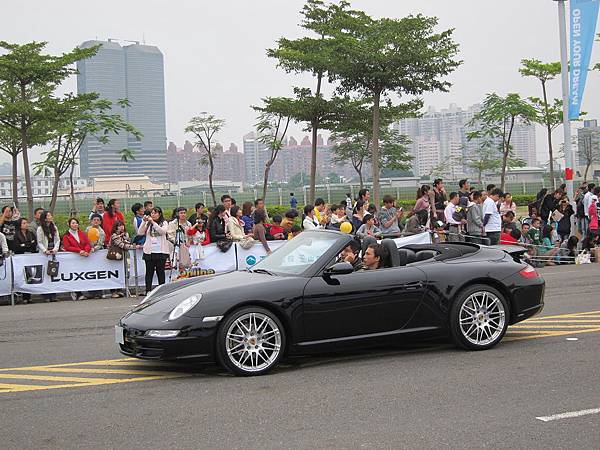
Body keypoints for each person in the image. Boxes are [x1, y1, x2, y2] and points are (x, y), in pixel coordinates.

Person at [138, 207, 170, 294]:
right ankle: (148, 290)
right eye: (152, 213)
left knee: (160, 272)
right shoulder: (148, 223)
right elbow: (140, 233)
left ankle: (162, 290)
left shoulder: (164, 222)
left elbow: (162, 232)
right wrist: (144, 221)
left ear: (159, 214)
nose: (153, 215)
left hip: (161, 251)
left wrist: (153, 222)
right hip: (149, 251)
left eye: (155, 213)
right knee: (149, 272)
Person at [61, 218, 91, 301]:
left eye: (76, 223)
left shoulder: (82, 233)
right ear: (69, 224)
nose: (75, 225)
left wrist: (86, 251)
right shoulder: (66, 236)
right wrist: (79, 250)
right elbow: (67, 247)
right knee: (75, 275)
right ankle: (77, 293)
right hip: (73, 259)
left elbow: (87, 243)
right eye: (73, 223)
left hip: (83, 256)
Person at [108, 221, 141, 298]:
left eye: (122, 225)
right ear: (116, 227)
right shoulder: (114, 236)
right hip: (115, 256)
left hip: (124, 257)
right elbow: (121, 244)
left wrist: (129, 242)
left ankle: (120, 289)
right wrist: (133, 247)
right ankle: (113, 291)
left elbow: (128, 242)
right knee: (114, 273)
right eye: (119, 226)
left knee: (123, 273)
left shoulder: (126, 234)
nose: (121, 227)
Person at [13, 218, 37, 303]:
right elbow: (17, 247)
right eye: (24, 223)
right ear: (20, 225)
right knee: (23, 276)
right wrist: (27, 245)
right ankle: (24, 296)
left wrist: (25, 245)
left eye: (27, 223)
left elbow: (34, 244)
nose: (26, 224)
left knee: (30, 275)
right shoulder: (16, 235)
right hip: (21, 257)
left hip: (30, 256)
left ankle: (29, 296)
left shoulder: (31, 233)